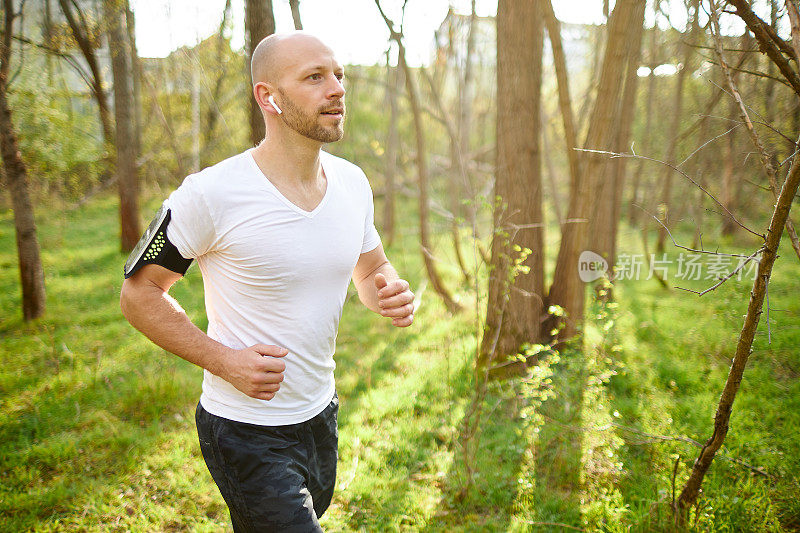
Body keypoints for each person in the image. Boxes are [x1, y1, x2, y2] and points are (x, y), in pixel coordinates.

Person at [119, 31, 415, 532]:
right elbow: (138, 294)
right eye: (315, 77)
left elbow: (370, 269)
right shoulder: (210, 194)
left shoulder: (352, 184)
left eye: (338, 74)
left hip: (320, 413)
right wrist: (224, 361)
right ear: (267, 97)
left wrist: (388, 289)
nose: (338, 88)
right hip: (244, 430)